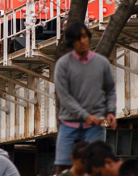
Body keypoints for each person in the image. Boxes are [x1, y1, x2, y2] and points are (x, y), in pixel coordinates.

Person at [54, 23, 116, 175]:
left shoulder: (102, 63)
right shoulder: (63, 65)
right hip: (69, 124)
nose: (82, 41)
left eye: (84, 37)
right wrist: (86, 116)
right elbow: (64, 97)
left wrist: (111, 111)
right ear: (71, 43)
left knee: (97, 167)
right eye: (77, 39)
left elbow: (110, 90)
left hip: (95, 127)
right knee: (63, 167)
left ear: (88, 38)